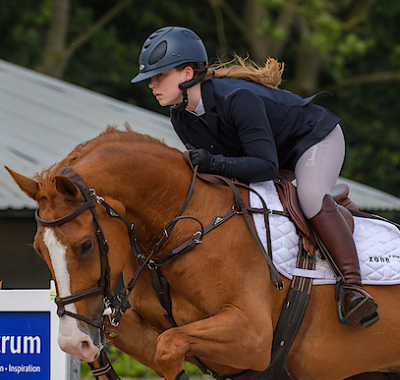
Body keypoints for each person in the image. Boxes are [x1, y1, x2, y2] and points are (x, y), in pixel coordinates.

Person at [131, 26, 378, 328]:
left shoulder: (238, 98)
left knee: (310, 196)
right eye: (151, 79)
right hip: (272, 153)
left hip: (313, 140)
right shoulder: (180, 116)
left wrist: (214, 163)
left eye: (159, 76)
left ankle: (354, 288)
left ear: (187, 73)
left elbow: (265, 166)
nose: (152, 85)